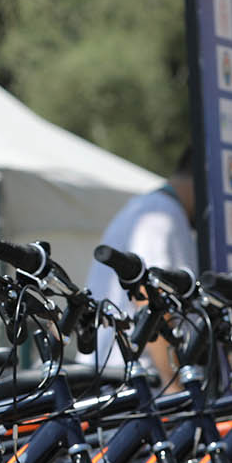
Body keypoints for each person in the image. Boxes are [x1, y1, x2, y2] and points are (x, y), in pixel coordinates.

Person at [88, 150, 197, 379]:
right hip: (133, 381)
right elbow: (150, 298)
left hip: (123, 377)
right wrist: (175, 383)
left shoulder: (151, 207)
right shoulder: (161, 215)